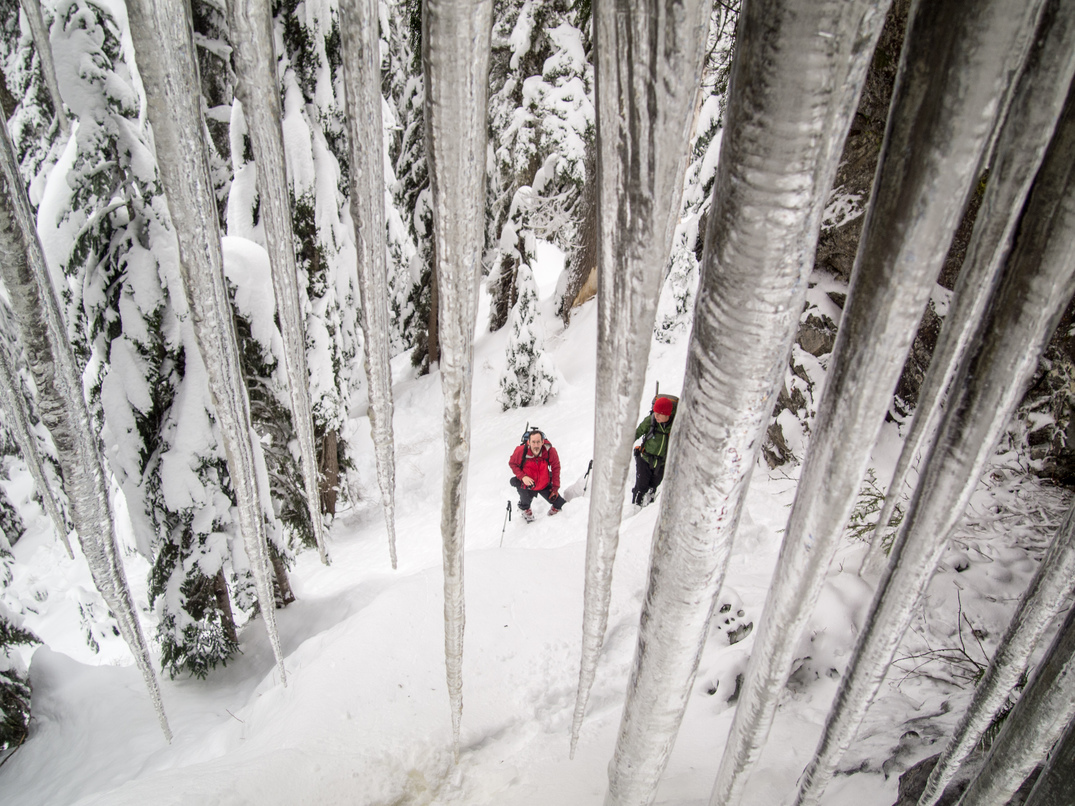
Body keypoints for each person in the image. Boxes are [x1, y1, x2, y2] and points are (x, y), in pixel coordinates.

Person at [509, 428, 566, 522]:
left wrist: (555, 488)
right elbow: (512, 463)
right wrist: (523, 477)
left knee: (561, 505)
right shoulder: (521, 451)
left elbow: (556, 468)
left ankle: (553, 514)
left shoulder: (550, 451)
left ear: (542, 442)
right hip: (527, 484)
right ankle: (525, 509)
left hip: (544, 483)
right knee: (524, 500)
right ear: (529, 442)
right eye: (533, 442)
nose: (536, 445)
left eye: (538, 442)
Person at [632, 396, 676, 507]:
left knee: (654, 484)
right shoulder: (650, 421)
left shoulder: (674, 426)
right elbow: (637, 432)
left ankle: (649, 506)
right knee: (642, 484)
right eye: (655, 412)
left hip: (661, 463)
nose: (656, 416)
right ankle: (636, 503)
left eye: (659, 414)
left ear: (667, 414)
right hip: (645, 459)